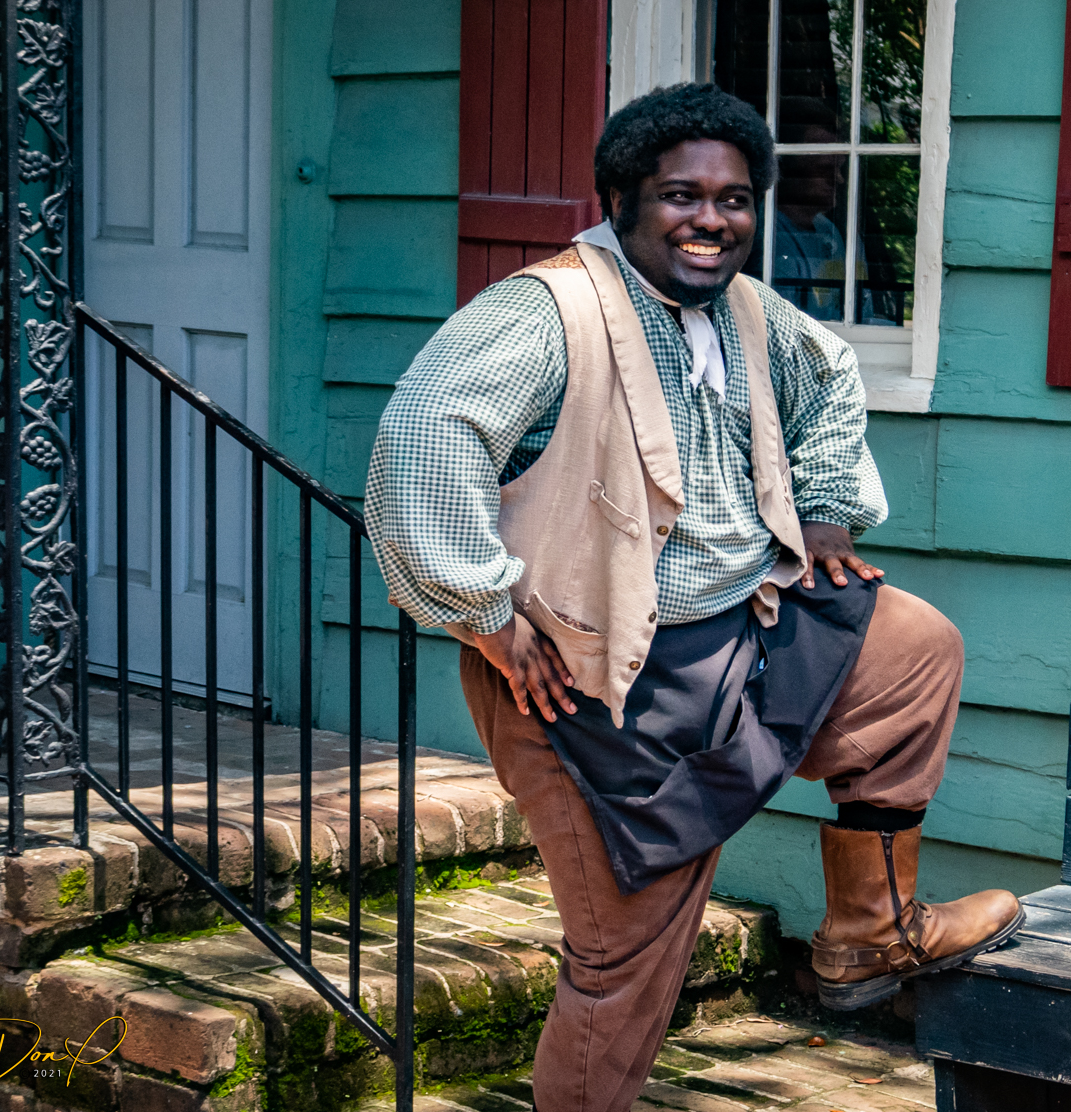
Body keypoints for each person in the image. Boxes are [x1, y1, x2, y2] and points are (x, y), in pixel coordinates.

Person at [365, 83, 1022, 1112]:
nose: (711, 220)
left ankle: (869, 931)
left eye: (734, 199)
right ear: (621, 198)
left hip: (735, 630)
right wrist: (485, 616)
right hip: (581, 677)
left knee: (909, 646)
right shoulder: (545, 311)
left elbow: (830, 377)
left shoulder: (749, 311)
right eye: (682, 195)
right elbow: (422, 440)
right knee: (626, 960)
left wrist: (827, 515)